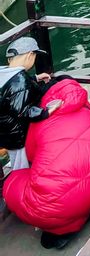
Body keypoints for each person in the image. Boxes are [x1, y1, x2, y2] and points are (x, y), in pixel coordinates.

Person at [2, 76, 90, 249]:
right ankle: (79, 215)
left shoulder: (40, 117)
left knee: (11, 182)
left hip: (56, 205)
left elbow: (31, 155)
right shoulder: (83, 103)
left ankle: (65, 225)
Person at [0, 37, 61, 172]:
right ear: (29, 55)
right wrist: (46, 112)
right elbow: (23, 112)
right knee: (21, 166)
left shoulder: (4, 73)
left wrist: (34, 78)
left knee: (13, 157)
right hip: (16, 134)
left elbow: (10, 92)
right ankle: (19, 185)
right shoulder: (21, 80)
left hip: (4, 129)